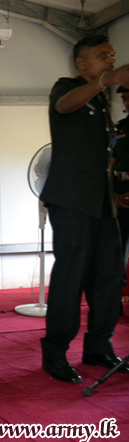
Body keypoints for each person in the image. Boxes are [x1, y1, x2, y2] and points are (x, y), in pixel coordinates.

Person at [39, 35, 129, 384]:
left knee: (109, 273)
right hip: (72, 201)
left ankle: (98, 346)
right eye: (101, 56)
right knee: (70, 276)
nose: (109, 60)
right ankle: (56, 352)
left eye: (111, 56)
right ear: (82, 63)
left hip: (102, 202)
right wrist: (106, 80)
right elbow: (64, 107)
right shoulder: (68, 87)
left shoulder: (104, 102)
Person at [112, 87, 129, 303]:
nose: (126, 102)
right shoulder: (120, 128)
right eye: (124, 99)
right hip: (121, 196)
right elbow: (111, 165)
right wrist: (112, 195)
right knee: (116, 255)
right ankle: (112, 306)